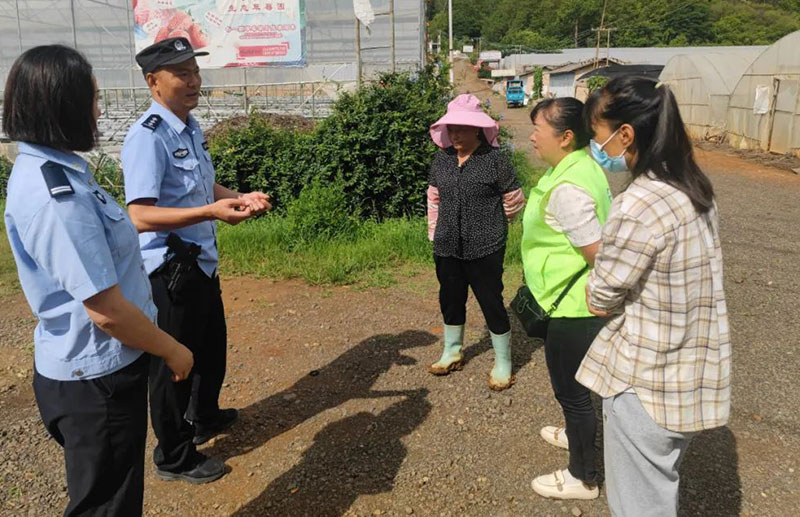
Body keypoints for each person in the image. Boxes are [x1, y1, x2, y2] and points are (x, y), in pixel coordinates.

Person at [2, 45, 193, 515]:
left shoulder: (59, 170)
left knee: (112, 493)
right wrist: (172, 348)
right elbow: (105, 311)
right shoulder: (56, 196)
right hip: (97, 377)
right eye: (92, 98)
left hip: (95, 370)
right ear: (62, 104)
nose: (99, 109)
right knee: (108, 505)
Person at [577, 77, 731, 516]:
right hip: (688, 373)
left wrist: (598, 284)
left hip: (646, 380)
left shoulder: (637, 203)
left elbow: (601, 296)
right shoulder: (693, 188)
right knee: (659, 486)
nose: (597, 146)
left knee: (639, 504)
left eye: (597, 135)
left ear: (624, 134)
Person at [121, 37, 271, 484]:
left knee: (210, 350)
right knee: (174, 363)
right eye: (181, 73)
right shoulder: (147, 137)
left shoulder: (189, 126)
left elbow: (203, 187)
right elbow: (140, 215)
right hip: (168, 271)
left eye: (195, 71)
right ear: (153, 81)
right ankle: (174, 455)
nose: (193, 80)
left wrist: (237, 197)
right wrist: (210, 213)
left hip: (201, 263)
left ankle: (204, 417)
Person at [521, 98, 612, 500]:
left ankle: (583, 476)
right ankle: (576, 438)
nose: (532, 137)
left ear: (567, 136)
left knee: (572, 392)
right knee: (576, 390)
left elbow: (598, 254)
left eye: (538, 129)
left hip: (573, 308)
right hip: (573, 301)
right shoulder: (581, 168)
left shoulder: (568, 188)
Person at [426, 93, 525, 391]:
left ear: (478, 129)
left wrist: (496, 224)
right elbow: (434, 197)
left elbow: (514, 200)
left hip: (486, 245)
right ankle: (452, 351)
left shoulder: (495, 161)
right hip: (447, 245)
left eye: (462, 128)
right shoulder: (441, 160)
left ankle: (503, 362)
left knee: (491, 302)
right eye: (452, 128)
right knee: (450, 298)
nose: (455, 134)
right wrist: (435, 233)